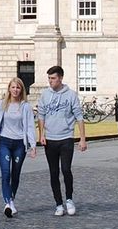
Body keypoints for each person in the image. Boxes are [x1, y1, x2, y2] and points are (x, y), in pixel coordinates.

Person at [0, 78, 38, 218]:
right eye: (13, 87)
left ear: (21, 90)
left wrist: (33, 145)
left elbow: (30, 127)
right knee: (6, 173)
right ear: (9, 89)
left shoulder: (25, 107)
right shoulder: (1, 105)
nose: (15, 90)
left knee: (15, 174)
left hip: (19, 144)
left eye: (18, 88)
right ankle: (7, 203)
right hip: (4, 142)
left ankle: (11, 200)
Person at [37, 65, 87, 216]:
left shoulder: (71, 95)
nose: (50, 81)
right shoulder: (45, 95)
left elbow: (79, 116)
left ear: (60, 78)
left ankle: (69, 199)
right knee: (53, 172)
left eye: (53, 78)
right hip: (50, 139)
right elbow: (41, 115)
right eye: (49, 78)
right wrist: (41, 134)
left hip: (66, 137)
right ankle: (58, 203)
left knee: (66, 169)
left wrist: (83, 139)